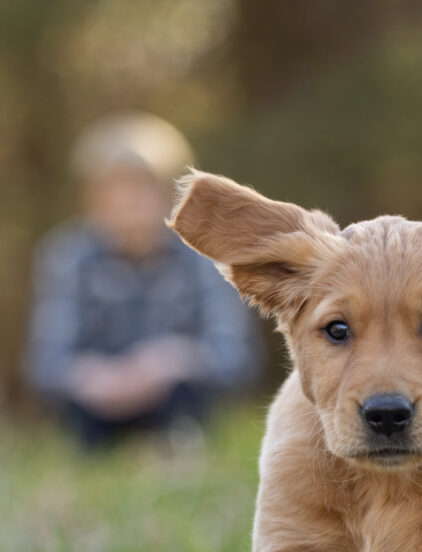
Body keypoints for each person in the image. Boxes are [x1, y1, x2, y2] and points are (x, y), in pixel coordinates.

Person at [24, 112, 263, 446]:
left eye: (142, 187)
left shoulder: (207, 258)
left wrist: (173, 360)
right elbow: (46, 363)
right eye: (115, 189)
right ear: (92, 197)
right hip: (94, 408)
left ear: (169, 194)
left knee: (184, 403)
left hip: (179, 403)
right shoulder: (65, 255)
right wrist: (89, 375)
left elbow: (236, 357)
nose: (129, 201)